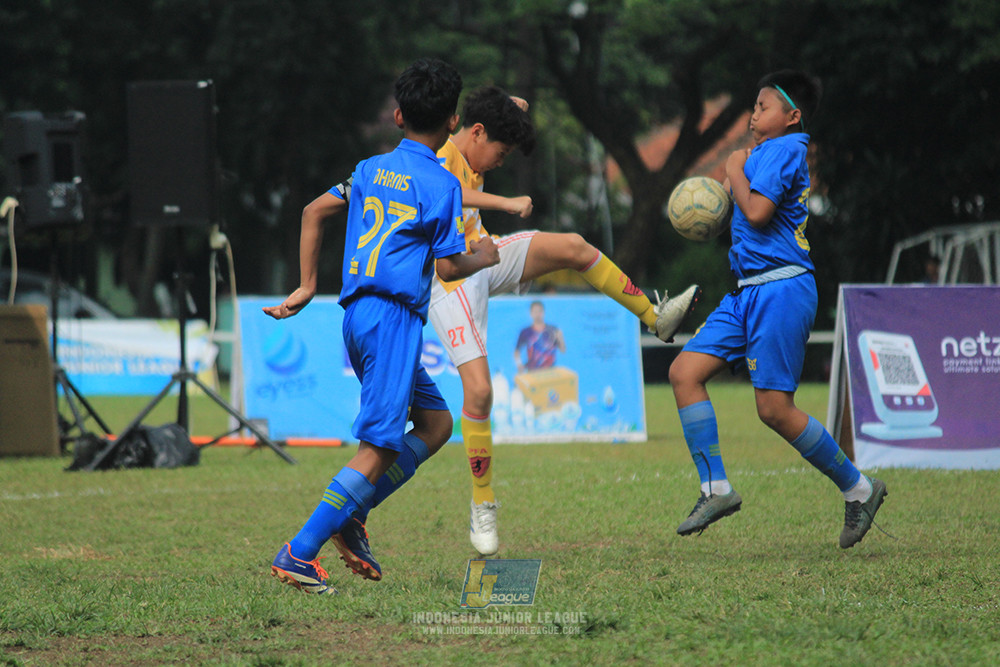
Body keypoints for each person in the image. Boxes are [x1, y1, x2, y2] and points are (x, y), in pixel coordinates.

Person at [427, 85, 701, 557]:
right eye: (502, 150)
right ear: (475, 132)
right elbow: (454, 194)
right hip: (447, 280)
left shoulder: (476, 142)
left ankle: (655, 318)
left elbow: (506, 114)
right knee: (480, 392)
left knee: (574, 246)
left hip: (485, 256)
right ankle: (483, 503)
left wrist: (512, 109)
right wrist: (509, 203)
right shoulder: (439, 159)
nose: (502, 160)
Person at [264, 58, 499, 593]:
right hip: (393, 320)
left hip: (357, 316)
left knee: (437, 424)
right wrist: (483, 256)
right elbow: (446, 268)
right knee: (380, 446)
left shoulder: (368, 170)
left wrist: (306, 286)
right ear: (452, 124)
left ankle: (351, 512)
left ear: (397, 115)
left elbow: (312, 211)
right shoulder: (441, 184)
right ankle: (299, 552)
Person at [667, 70, 887, 549]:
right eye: (753, 105)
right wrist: (724, 187)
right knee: (684, 372)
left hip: (782, 289)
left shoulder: (788, 150)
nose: (753, 114)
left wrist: (732, 170)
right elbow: (740, 213)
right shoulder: (760, 155)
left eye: (763, 106)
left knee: (774, 409)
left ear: (792, 116)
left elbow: (759, 212)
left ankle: (861, 489)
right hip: (748, 291)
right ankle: (715, 489)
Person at [514, 300, 565, 372]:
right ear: (531, 313)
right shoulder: (525, 332)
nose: (537, 314)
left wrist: (560, 338)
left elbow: (563, 350)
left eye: (540, 311)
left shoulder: (553, 330)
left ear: (543, 312)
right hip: (532, 372)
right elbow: (517, 351)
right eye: (535, 312)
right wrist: (519, 365)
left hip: (550, 371)